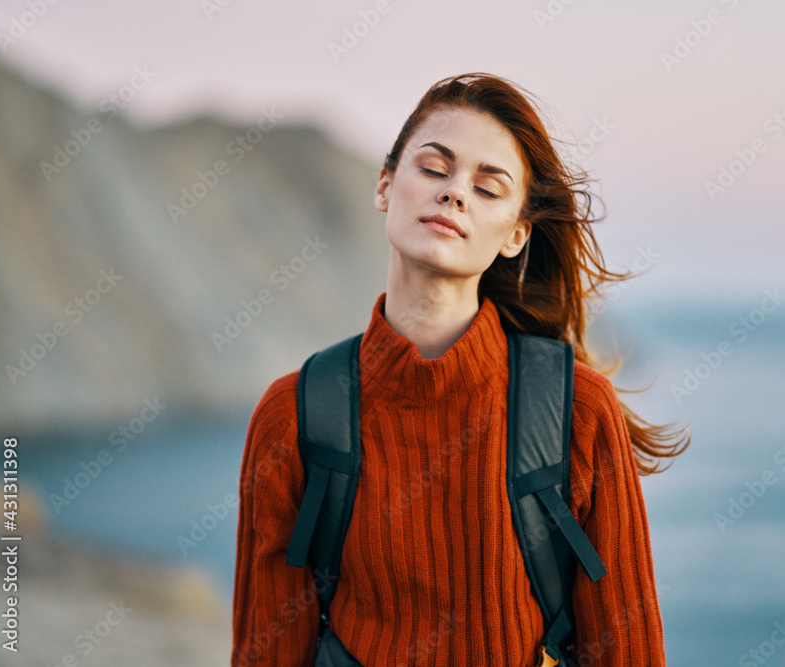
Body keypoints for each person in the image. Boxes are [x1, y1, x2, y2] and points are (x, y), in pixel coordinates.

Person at [231, 72, 688, 666]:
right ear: (385, 185)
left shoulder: (578, 411)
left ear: (517, 235)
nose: (455, 194)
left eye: (488, 187)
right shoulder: (293, 416)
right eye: (434, 168)